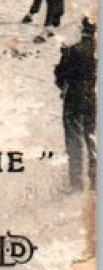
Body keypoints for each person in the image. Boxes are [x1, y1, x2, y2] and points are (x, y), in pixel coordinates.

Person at [55, 17, 97, 192]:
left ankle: (77, 183)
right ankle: (95, 180)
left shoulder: (72, 51)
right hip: (93, 97)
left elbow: (60, 77)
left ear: (82, 30)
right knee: (92, 137)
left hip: (74, 97)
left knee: (74, 139)